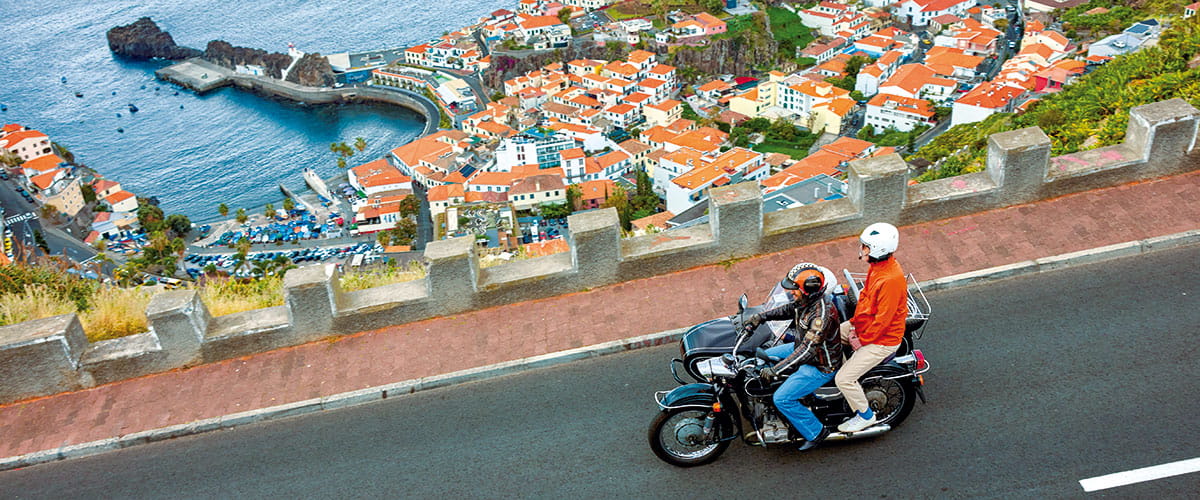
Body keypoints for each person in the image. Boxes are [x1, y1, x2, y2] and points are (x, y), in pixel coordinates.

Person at [745, 263, 843, 451]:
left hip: (820, 365)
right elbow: (788, 309)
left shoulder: (821, 315)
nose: (791, 292)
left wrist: (776, 370)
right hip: (801, 347)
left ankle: (815, 432)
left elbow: (807, 351)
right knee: (761, 357)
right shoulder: (806, 302)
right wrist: (761, 317)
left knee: (782, 398)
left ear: (808, 290)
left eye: (795, 289)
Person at [836, 222, 908, 433]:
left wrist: (860, 338)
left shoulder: (890, 280)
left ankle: (865, 415)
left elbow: (883, 320)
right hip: (863, 326)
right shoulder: (878, 268)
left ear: (878, 249)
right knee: (827, 334)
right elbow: (866, 300)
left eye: (866, 246)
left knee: (844, 379)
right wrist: (854, 326)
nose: (862, 249)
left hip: (880, 340)